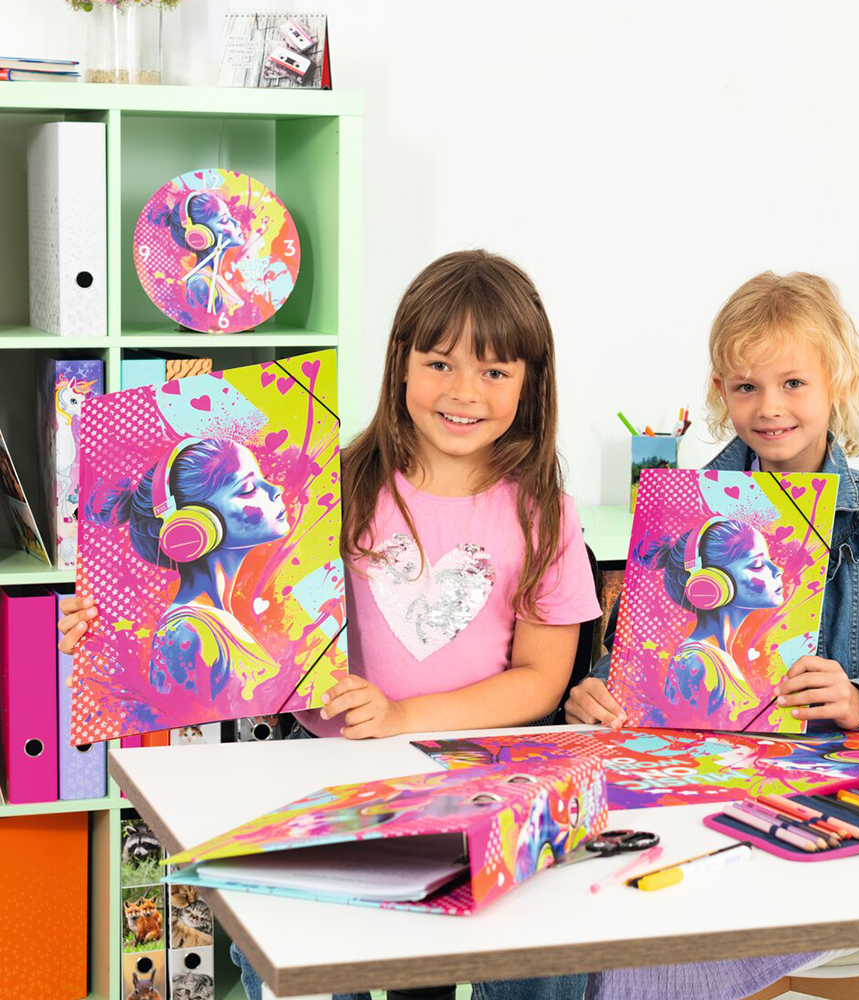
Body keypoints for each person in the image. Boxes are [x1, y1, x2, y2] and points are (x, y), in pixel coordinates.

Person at [59, 249, 600, 1000]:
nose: (464, 392)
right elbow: (225, 599)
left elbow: (541, 679)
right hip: (324, 771)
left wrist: (403, 716)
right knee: (312, 961)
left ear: (531, 383)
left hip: (473, 780)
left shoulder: (545, 513)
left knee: (478, 959)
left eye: (495, 371)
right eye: (439, 363)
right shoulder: (327, 484)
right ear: (400, 363)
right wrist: (109, 623)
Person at [567, 270, 859, 1000]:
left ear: (839, 383)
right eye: (746, 387)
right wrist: (598, 691)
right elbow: (631, 664)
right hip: (704, 777)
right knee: (628, 905)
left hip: (826, 781)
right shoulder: (682, 509)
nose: (770, 407)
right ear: (721, 392)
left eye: (793, 383)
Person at [84, 437, 291, 714]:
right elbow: (191, 729)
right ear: (193, 524)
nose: (275, 490)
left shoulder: (216, 620)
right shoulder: (186, 634)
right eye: (248, 489)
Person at [636, 518, 783, 725]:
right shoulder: (695, 662)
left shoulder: (718, 657)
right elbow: (684, 738)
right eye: (757, 564)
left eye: (770, 559)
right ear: (710, 582)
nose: (777, 570)